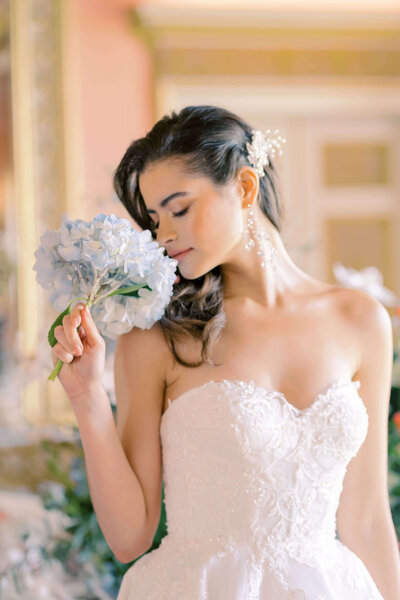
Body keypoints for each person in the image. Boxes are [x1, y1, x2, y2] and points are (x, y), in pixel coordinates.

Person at [51, 105, 400, 599]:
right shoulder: (156, 338)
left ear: (244, 188)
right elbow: (130, 539)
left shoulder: (361, 320)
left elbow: (366, 520)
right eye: (154, 219)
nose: (164, 235)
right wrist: (87, 397)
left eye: (180, 208)